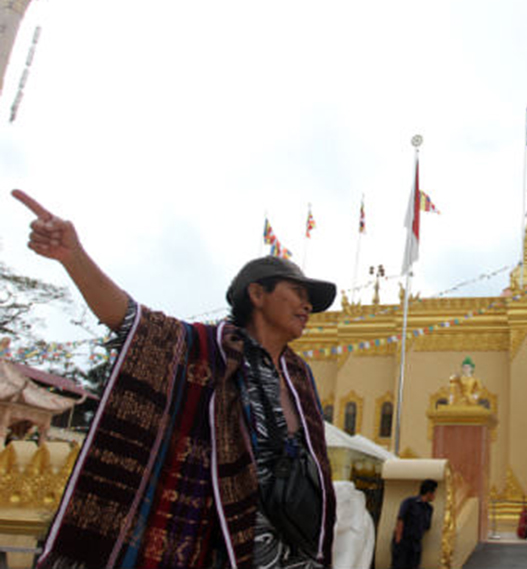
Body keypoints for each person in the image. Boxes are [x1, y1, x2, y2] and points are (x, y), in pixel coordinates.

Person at [12, 190, 338, 569]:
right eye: (298, 292)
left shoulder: (300, 377)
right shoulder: (205, 348)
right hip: (213, 535)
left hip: (292, 546)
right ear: (257, 294)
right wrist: (73, 256)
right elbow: (130, 319)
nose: (307, 305)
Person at [391, 479, 437, 569]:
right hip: (404, 541)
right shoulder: (409, 502)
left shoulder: (429, 509)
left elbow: (426, 526)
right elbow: (400, 519)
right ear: (429, 493)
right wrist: (398, 540)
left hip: (416, 544)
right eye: (434, 493)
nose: (434, 496)